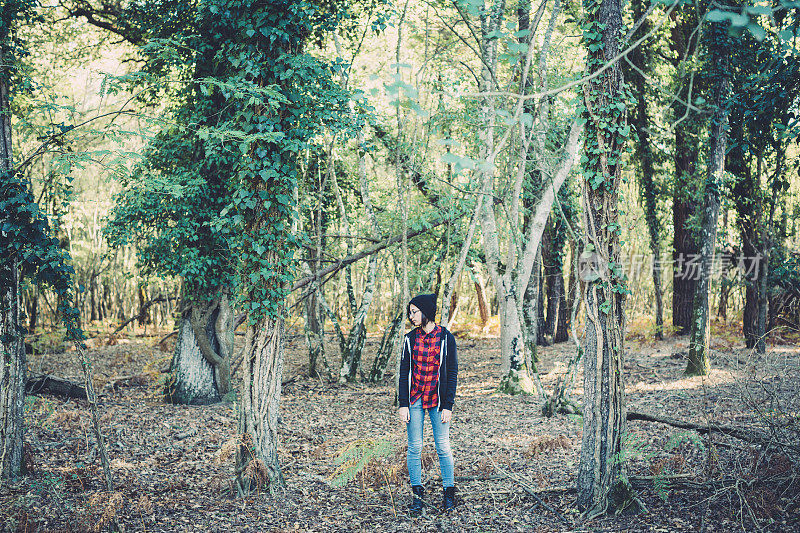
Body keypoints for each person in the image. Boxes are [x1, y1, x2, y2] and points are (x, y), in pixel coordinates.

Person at [397, 293, 458, 516]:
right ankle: (417, 496)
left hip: (438, 401)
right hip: (414, 398)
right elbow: (404, 372)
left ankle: (449, 493)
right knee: (415, 447)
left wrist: (448, 405)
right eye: (410, 312)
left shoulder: (446, 338)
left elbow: (452, 373)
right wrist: (403, 403)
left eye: (415, 311)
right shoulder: (410, 339)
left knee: (442, 446)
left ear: (426, 312)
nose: (411, 316)